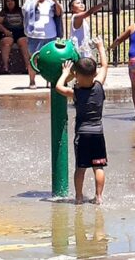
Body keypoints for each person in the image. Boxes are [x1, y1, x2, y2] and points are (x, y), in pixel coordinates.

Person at [55, 36, 109, 205]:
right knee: (98, 167)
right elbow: (105, 66)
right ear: (94, 74)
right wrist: (100, 46)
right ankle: (99, 197)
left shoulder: (77, 93)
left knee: (81, 168)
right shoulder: (99, 86)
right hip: (97, 133)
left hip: (82, 135)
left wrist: (64, 73)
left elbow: (58, 87)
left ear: (76, 75)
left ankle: (78, 197)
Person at [22, 0, 62, 88]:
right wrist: (37, 0)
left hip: (50, 35)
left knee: (50, 59)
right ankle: (32, 81)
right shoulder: (29, 2)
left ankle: (49, 80)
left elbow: (59, 13)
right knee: (33, 59)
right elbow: (26, 11)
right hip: (35, 36)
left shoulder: (50, 2)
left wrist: (56, 1)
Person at [0, 0, 36, 84]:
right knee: (7, 42)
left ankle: (27, 67)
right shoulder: (3, 12)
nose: (10, 3)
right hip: (7, 32)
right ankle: (5, 67)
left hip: (20, 32)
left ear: (15, 2)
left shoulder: (20, 11)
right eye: (8, 1)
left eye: (12, 1)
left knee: (24, 42)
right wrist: (5, 31)